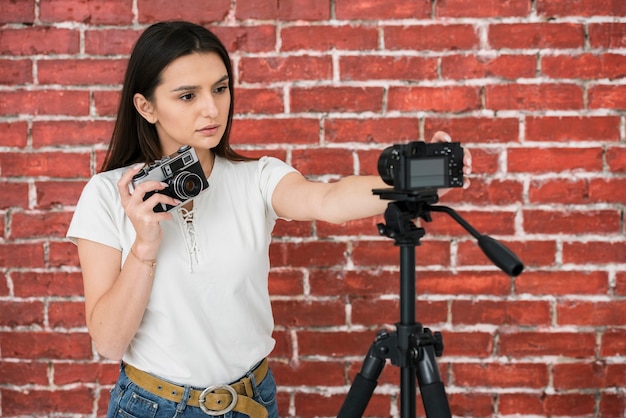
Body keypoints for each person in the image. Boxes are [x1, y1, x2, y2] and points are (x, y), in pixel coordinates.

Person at [66, 20, 472, 418]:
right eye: (188, 96)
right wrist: (145, 244)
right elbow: (109, 341)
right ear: (146, 106)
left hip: (250, 403)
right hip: (151, 408)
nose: (212, 108)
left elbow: (327, 200)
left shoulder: (256, 178)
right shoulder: (106, 195)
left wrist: (410, 180)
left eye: (220, 89)